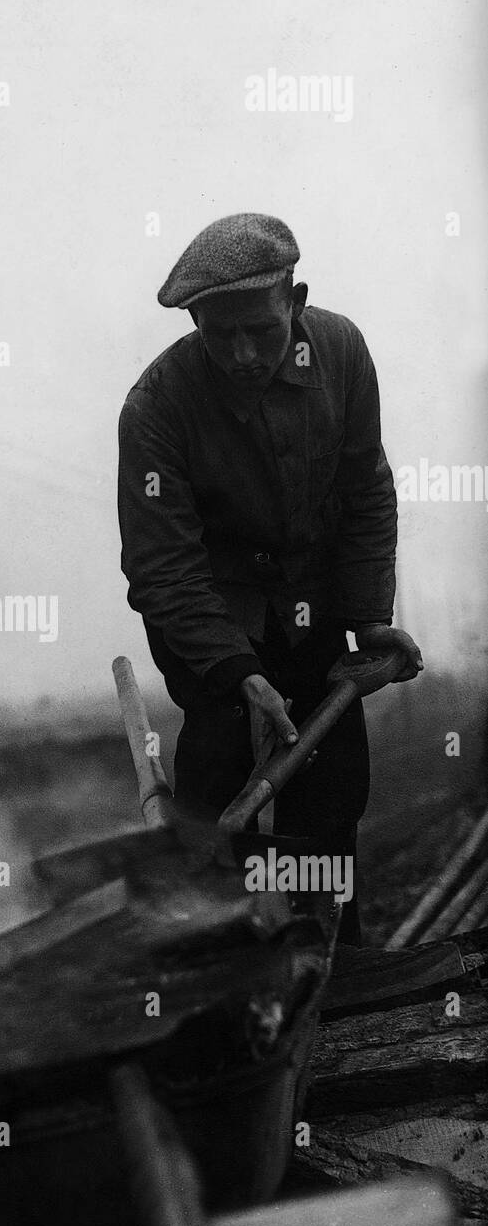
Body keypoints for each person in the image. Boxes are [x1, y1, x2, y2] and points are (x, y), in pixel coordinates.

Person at [117, 214, 422, 941]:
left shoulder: (341, 352)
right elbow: (161, 565)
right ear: (194, 322)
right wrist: (235, 672)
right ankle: (218, 955)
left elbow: (365, 489)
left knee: (329, 787)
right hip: (215, 621)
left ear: (296, 299)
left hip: (317, 609)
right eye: (219, 335)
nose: (242, 353)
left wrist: (367, 616)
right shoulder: (156, 407)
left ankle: (325, 955)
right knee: (220, 764)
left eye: (259, 328)